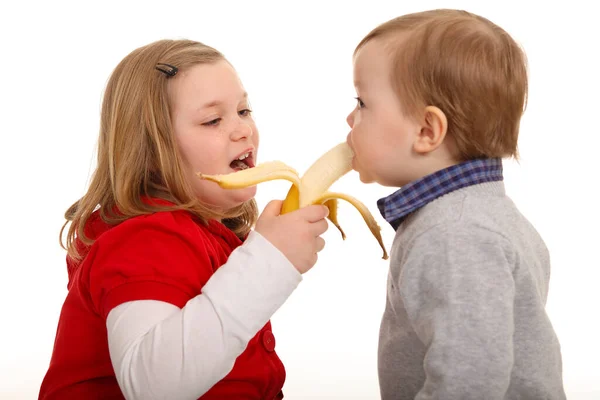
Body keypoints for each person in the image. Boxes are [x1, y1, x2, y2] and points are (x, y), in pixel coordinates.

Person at [39, 39, 330, 400]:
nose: (242, 130)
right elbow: (155, 387)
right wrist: (269, 260)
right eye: (212, 120)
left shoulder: (206, 232)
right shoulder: (145, 239)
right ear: (151, 153)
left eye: (244, 110)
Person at [345, 9, 566, 399]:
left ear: (427, 131)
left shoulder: (455, 234)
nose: (350, 118)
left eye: (362, 103)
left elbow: (471, 379)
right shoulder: (483, 214)